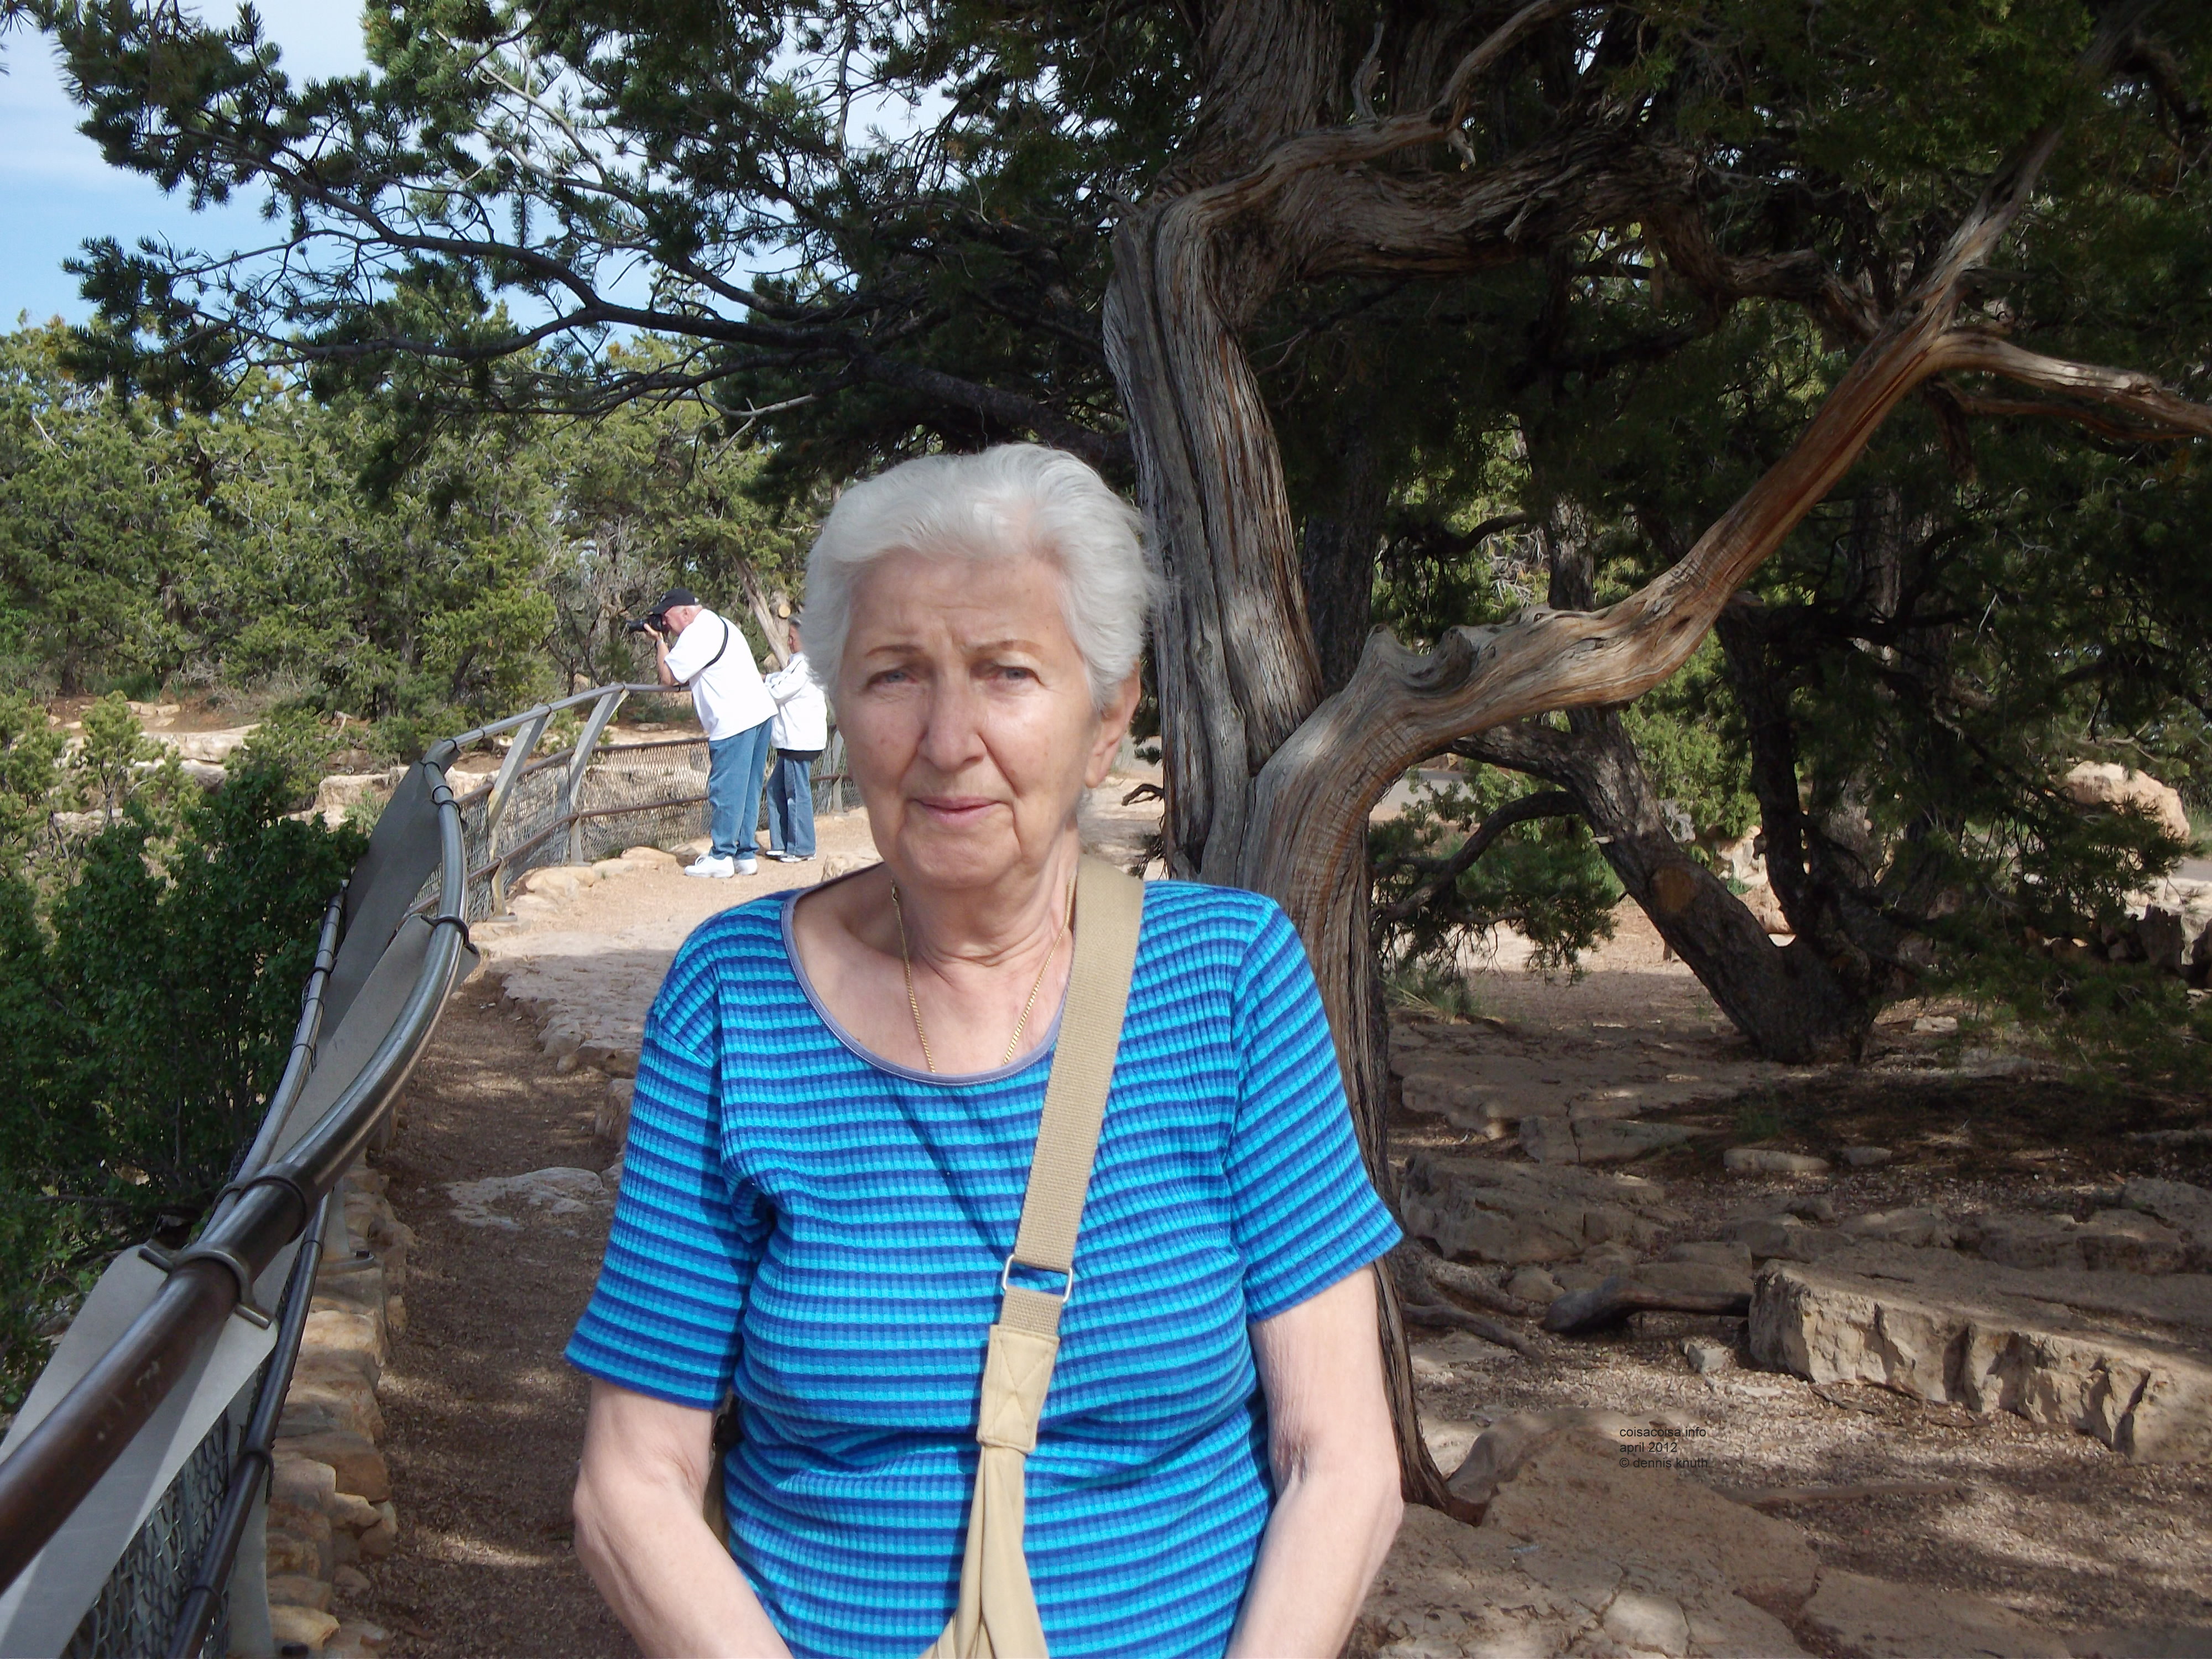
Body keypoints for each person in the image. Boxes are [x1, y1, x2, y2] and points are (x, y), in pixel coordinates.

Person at [568, 445, 1404, 1659]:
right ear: (841, 709)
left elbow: (1339, 1457)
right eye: (894, 675)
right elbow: (632, 1482)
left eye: (1008, 673)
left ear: (1106, 716)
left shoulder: (1230, 979)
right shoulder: (732, 1000)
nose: (948, 738)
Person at [646, 588, 776, 878]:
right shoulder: (721, 623)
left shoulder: (697, 633)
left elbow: (669, 677)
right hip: (758, 713)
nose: (665, 624)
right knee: (748, 789)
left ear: (685, 613)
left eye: (666, 618)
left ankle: (721, 856)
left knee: (726, 790)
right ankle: (744, 853)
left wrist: (660, 643)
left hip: (734, 720)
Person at [761, 619, 827, 863]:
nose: (789, 642)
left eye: (793, 638)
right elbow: (779, 679)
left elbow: (778, 691)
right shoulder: (799, 664)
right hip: (791, 741)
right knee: (776, 789)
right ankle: (782, 843)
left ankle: (802, 847)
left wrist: (762, 683)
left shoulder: (805, 666)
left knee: (797, 794)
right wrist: (767, 679)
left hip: (799, 741)